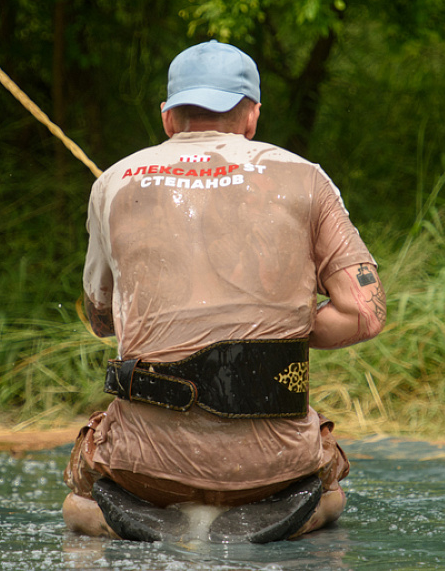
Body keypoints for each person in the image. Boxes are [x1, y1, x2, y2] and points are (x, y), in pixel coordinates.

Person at [62, 40, 386, 540]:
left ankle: (139, 523)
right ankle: (281, 519)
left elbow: (103, 319)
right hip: (271, 471)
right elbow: (365, 312)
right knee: (331, 496)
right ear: (253, 116)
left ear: (169, 118)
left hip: (146, 471)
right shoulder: (307, 178)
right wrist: (285, 325)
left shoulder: (112, 183)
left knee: (77, 505)